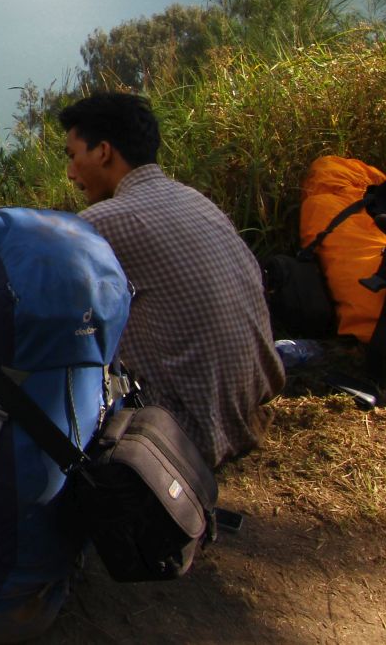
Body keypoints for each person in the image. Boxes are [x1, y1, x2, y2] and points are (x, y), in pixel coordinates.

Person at [58, 92, 283, 466]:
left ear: (103, 152)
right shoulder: (192, 198)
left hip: (190, 433)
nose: (70, 172)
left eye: (72, 155)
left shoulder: (106, 221)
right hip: (250, 404)